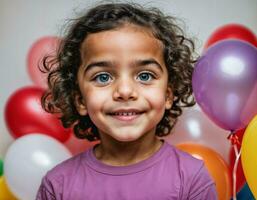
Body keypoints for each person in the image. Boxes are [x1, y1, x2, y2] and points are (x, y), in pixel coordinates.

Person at [36, 2, 217, 200]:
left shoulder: (192, 179)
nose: (124, 91)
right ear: (80, 100)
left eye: (145, 76)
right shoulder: (57, 185)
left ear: (167, 95)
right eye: (103, 77)